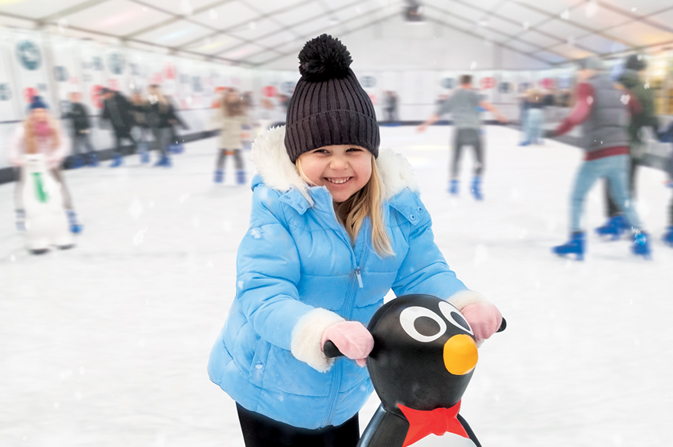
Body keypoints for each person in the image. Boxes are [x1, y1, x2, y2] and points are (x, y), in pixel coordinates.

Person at [207, 34, 502, 447]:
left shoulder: (396, 211)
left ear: (372, 154)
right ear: (297, 156)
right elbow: (263, 294)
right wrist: (321, 330)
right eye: (321, 151)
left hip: (346, 389)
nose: (339, 164)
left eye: (353, 149)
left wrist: (464, 303)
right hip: (271, 389)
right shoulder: (280, 209)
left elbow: (424, 271)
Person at [549, 57, 650, 260]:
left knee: (577, 197)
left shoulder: (588, 86)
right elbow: (634, 106)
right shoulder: (617, 87)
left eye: (581, 70)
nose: (580, 74)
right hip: (621, 150)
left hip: (599, 151)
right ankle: (642, 243)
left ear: (588, 70)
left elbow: (581, 111)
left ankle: (576, 241)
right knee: (625, 199)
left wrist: (561, 128)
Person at [595, 54, 659, 239]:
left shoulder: (612, 84)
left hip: (610, 143)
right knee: (629, 184)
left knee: (610, 180)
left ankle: (613, 221)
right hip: (633, 144)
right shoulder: (645, 87)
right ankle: (630, 222)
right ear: (641, 69)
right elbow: (649, 117)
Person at [417, 74, 507, 200]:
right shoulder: (473, 94)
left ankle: (454, 184)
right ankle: (476, 185)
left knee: (456, 158)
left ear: (460, 83)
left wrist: (425, 124)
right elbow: (487, 105)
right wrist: (499, 115)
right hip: (474, 130)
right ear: (470, 83)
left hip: (459, 131)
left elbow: (438, 113)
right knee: (479, 159)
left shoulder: (454, 97)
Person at [9, 96, 82, 235]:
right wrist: (15, 158)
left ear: (46, 112)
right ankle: (22, 215)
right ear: (31, 114)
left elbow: (64, 142)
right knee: (24, 191)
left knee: (61, 189)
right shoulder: (23, 127)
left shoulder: (54, 125)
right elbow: (14, 144)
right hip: (30, 165)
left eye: (42, 111)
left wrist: (56, 157)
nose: (39, 114)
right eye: (35, 111)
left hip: (50, 164)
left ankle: (70, 216)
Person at [211, 87, 250, 184]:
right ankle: (218, 177)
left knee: (238, 157)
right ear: (226, 97)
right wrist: (219, 125)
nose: (232, 97)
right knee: (221, 156)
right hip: (225, 137)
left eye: (234, 95)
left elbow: (246, 121)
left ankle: (241, 177)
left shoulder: (241, 108)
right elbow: (214, 120)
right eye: (230, 95)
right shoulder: (222, 109)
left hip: (236, 137)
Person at [144, 84, 186, 167]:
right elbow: (148, 111)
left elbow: (171, 110)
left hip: (164, 125)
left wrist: (174, 121)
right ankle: (162, 158)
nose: (152, 91)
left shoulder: (165, 99)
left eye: (154, 90)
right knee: (158, 143)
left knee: (162, 142)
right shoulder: (150, 100)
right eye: (151, 90)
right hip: (154, 124)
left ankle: (166, 159)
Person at [100, 87, 137, 168]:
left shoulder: (120, 98)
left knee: (128, 138)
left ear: (109, 93)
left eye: (104, 94)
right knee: (117, 142)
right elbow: (106, 113)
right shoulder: (106, 101)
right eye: (103, 95)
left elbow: (129, 107)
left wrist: (132, 121)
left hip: (125, 124)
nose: (104, 96)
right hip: (116, 125)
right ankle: (118, 160)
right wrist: (103, 116)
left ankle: (137, 148)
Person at [62, 92, 96, 168]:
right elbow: (69, 115)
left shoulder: (82, 107)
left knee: (87, 143)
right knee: (75, 146)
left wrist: (86, 128)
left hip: (83, 129)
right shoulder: (71, 108)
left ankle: (93, 159)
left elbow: (86, 119)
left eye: (75, 97)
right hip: (76, 129)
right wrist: (64, 115)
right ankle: (78, 161)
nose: (74, 99)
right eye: (72, 97)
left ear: (78, 98)